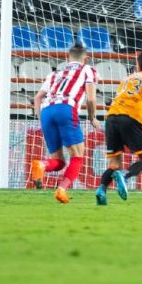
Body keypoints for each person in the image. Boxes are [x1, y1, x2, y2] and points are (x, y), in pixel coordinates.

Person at [31, 44, 101, 204]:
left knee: (59, 162)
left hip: (46, 111)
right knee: (77, 156)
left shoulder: (54, 73)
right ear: (86, 59)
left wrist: (40, 118)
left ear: (67, 58)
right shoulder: (88, 70)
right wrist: (92, 118)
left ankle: (42, 164)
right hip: (66, 108)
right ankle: (61, 189)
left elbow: (37, 98)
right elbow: (91, 98)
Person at [95, 52, 142, 206]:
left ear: (137, 66)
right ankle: (124, 175)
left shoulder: (126, 79)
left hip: (111, 118)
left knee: (114, 163)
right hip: (130, 118)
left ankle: (101, 190)